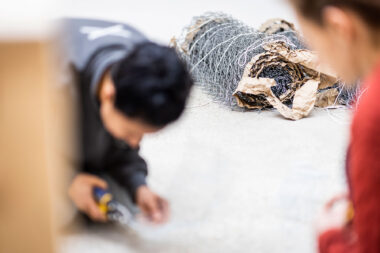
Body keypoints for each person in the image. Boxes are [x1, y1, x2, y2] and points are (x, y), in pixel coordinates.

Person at [61, 18, 193, 224]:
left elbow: (118, 149)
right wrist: (67, 180)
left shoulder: (145, 62)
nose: (135, 143)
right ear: (108, 94)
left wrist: (138, 186)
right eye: (131, 132)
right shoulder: (53, 82)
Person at [287, 0, 380, 252]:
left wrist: (330, 237)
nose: (318, 61)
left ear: (339, 27)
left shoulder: (373, 111)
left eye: (314, 43)